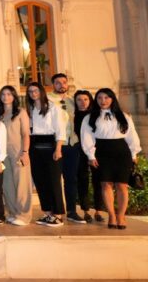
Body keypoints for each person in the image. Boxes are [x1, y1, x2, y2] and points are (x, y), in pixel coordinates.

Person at [81, 88, 142, 229]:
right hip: (101, 151)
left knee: (122, 185)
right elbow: (86, 137)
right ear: (96, 100)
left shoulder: (124, 116)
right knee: (105, 184)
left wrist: (134, 154)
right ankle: (112, 215)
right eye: (100, 98)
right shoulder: (90, 117)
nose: (103, 101)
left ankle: (121, 216)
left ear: (112, 99)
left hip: (121, 151)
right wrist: (91, 155)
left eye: (106, 98)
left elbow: (131, 135)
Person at [25, 82, 67, 227]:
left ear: (41, 91)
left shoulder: (52, 107)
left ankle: (58, 215)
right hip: (34, 146)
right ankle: (48, 213)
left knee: (54, 181)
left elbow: (60, 129)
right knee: (40, 180)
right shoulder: (29, 109)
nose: (33, 93)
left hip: (50, 145)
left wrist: (58, 149)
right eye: (30, 91)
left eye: (35, 90)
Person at [48, 73, 86, 223]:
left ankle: (71, 211)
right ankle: (55, 211)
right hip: (56, 145)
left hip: (72, 144)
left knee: (71, 179)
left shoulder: (72, 100)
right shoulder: (48, 100)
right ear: (53, 85)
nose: (61, 85)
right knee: (54, 180)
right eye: (58, 83)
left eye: (64, 82)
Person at [0, 86, 33, 226]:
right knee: (7, 183)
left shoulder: (20, 112)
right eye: (3, 94)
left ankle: (24, 215)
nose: (6, 97)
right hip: (2, 152)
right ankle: (12, 212)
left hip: (18, 150)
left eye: (9, 94)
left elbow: (25, 134)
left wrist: (25, 152)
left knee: (21, 182)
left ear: (14, 96)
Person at [72, 90, 104, 222]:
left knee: (98, 180)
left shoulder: (96, 115)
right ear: (75, 101)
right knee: (82, 179)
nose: (82, 102)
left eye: (85, 99)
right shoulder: (72, 116)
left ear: (90, 100)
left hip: (96, 151)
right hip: (79, 150)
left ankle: (98, 210)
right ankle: (85, 210)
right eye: (79, 99)